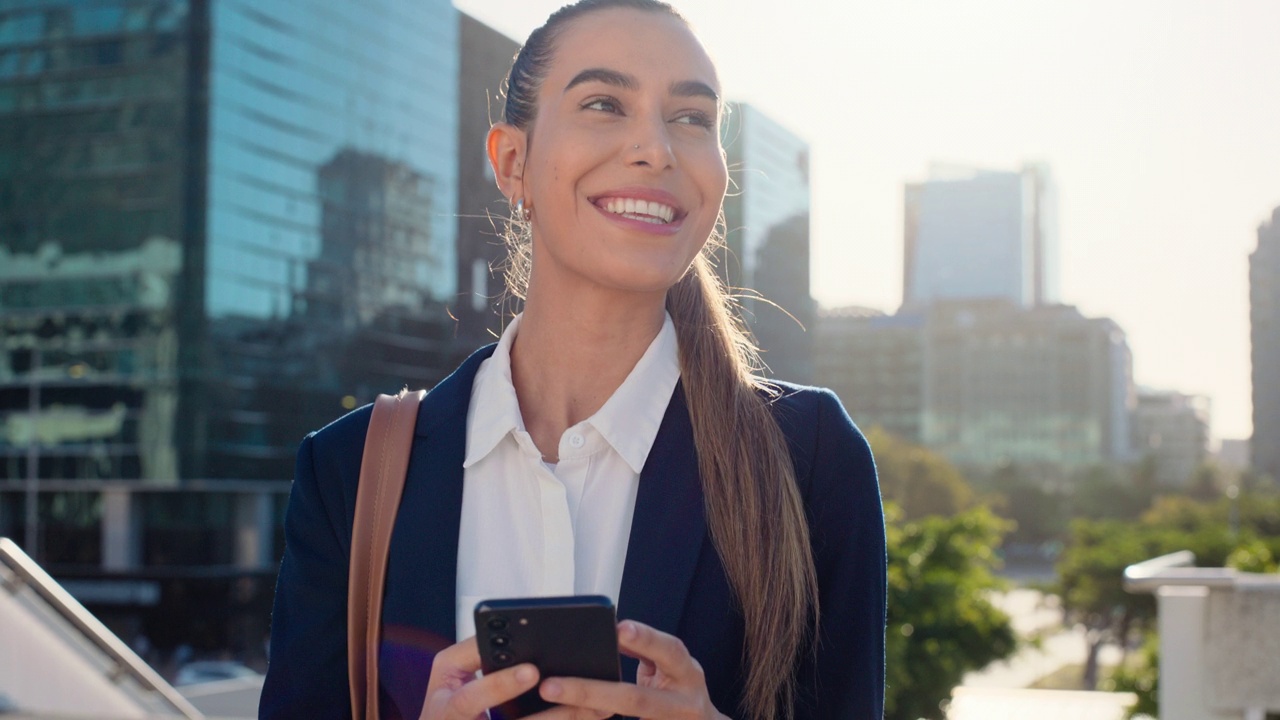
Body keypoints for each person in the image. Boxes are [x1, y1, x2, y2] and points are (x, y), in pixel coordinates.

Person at [259, 1, 885, 718]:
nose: (658, 148)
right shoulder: (352, 472)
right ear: (512, 161)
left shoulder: (809, 458)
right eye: (603, 103)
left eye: (692, 117)